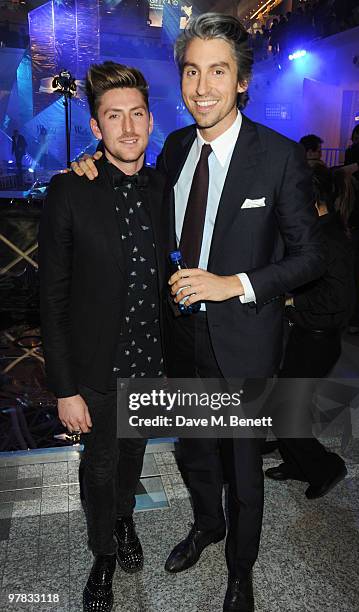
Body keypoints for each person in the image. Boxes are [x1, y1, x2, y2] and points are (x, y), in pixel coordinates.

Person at [71, 14, 326, 612]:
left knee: (243, 463)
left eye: (218, 71)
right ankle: (207, 525)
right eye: (192, 71)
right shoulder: (179, 147)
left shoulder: (281, 158)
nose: (202, 86)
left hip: (245, 340)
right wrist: (87, 163)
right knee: (193, 450)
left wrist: (232, 284)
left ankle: (242, 571)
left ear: (241, 81)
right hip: (179, 339)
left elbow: (312, 257)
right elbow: (133, 191)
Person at [39, 62, 166, 612]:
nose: (129, 127)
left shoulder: (168, 187)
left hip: (155, 363)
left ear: (151, 120)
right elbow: (52, 298)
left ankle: (123, 522)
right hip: (98, 368)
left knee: (133, 457)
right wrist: (64, 388)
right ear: (95, 127)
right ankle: (102, 555)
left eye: (137, 114)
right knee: (99, 466)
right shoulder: (71, 189)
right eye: (114, 117)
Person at [265, 164, 353, 498]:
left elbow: (340, 299)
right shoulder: (320, 230)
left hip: (318, 340)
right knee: (290, 407)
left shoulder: (328, 238)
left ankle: (325, 467)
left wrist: (291, 303)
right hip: (309, 336)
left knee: (283, 409)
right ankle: (296, 463)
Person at [344, 123, 359, 333]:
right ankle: (352, 319)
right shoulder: (352, 155)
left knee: (355, 275)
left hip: (358, 225)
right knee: (353, 275)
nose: (358, 142)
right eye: (356, 138)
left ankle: (354, 319)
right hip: (353, 223)